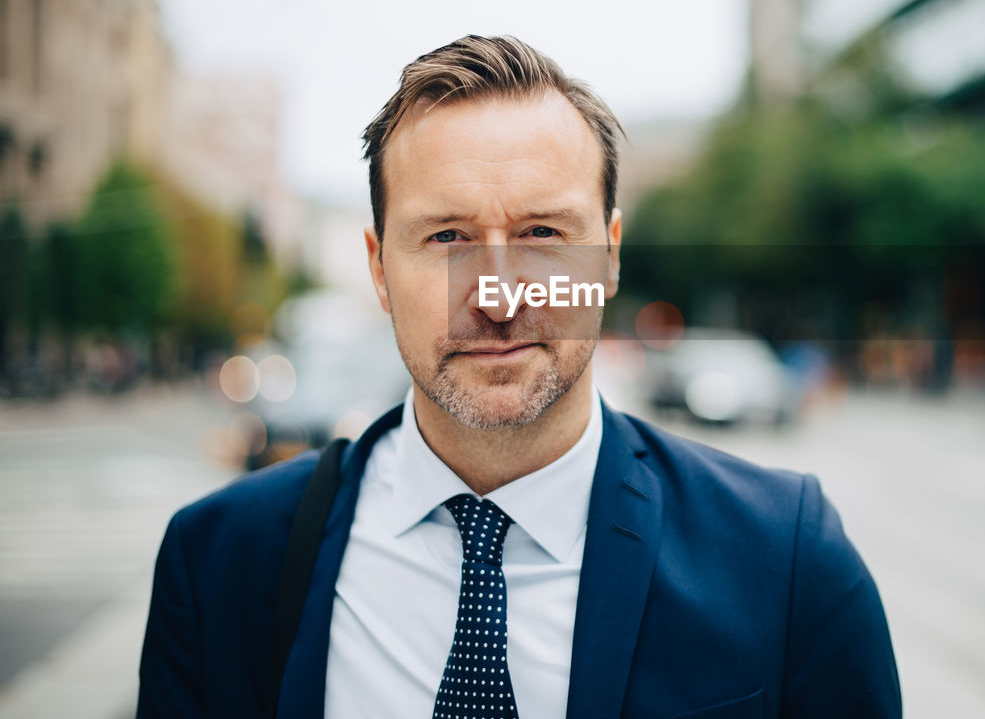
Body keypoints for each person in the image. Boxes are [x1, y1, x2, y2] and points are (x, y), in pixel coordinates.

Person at [137, 35, 901, 718]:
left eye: (542, 234)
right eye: (446, 238)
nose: (498, 294)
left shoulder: (785, 559)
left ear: (608, 255)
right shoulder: (217, 564)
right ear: (377, 268)